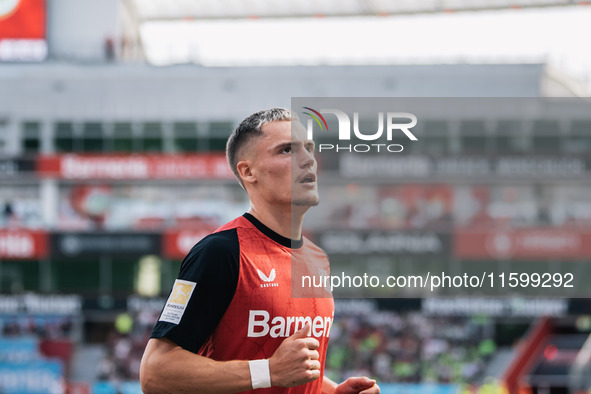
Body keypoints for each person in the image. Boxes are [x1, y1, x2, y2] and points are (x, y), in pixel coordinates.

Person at [140, 108, 380, 394]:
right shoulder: (221, 252)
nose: (308, 160)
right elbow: (155, 373)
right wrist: (269, 370)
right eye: (287, 150)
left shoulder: (318, 259)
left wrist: (331, 392)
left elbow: (286, 371)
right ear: (248, 171)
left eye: (310, 148)